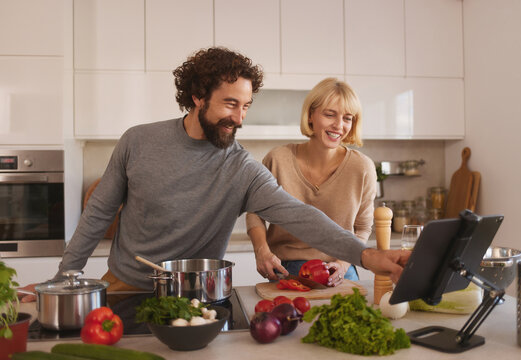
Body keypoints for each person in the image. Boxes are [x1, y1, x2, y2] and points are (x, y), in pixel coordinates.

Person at [20, 47, 409, 301]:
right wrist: (64, 276)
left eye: (246, 106)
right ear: (197, 96)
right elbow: (99, 213)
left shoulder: (241, 167)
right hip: (125, 288)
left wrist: (367, 255)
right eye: (229, 104)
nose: (239, 118)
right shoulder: (137, 141)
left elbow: (300, 216)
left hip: (200, 296)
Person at [246, 78, 376, 287]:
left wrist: (342, 264)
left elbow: (362, 228)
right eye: (329, 114)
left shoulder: (362, 167)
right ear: (311, 116)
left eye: (347, 118)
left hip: (340, 268)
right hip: (286, 267)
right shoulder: (278, 159)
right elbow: (255, 213)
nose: (339, 125)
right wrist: (261, 250)